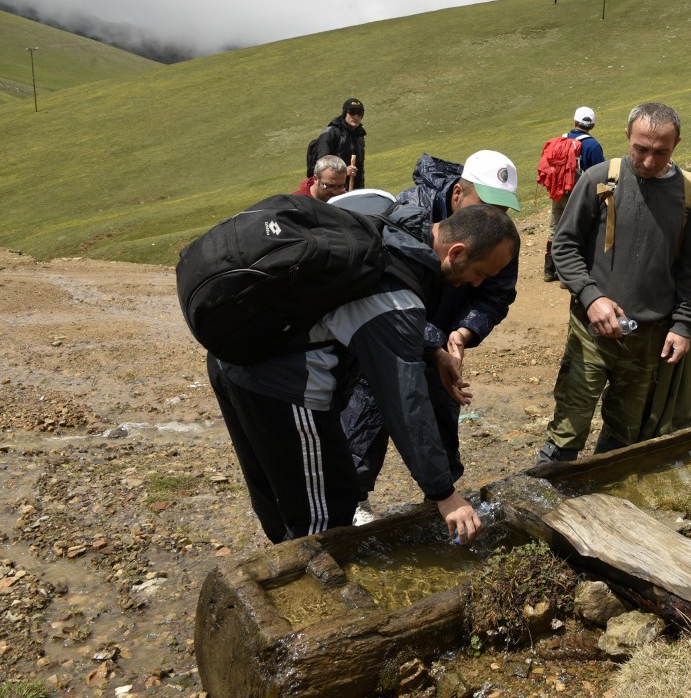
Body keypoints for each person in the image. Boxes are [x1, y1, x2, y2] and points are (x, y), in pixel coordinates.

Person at [206, 200, 519, 545]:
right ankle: (313, 585)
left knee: (281, 495)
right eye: (481, 273)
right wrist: (443, 493)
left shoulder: (388, 232)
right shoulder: (396, 291)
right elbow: (403, 399)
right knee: (324, 516)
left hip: (235, 353)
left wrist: (431, 351)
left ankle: (285, 561)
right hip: (283, 384)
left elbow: (358, 311)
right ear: (456, 252)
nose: (476, 285)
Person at [341, 150, 521, 521]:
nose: (494, 218)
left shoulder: (498, 236)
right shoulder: (407, 212)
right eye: (487, 205)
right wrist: (431, 339)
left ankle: (442, 502)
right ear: (459, 194)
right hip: (388, 338)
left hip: (442, 344)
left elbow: (496, 294)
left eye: (503, 211)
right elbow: (381, 294)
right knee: (369, 414)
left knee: (439, 418)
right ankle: (351, 503)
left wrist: (464, 331)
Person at [537, 102, 691, 464]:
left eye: (660, 152)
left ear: (676, 144)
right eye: (640, 149)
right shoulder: (598, 178)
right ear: (627, 136)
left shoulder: (689, 193)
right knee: (568, 428)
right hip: (592, 332)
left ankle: (607, 500)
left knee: (627, 435)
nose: (648, 161)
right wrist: (591, 296)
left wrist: (683, 325)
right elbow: (564, 247)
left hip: (651, 340)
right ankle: (547, 501)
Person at [541, 106, 606, 282]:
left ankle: (549, 270)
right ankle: (567, 276)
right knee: (575, 232)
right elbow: (600, 172)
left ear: (574, 121)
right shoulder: (592, 145)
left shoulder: (560, 141)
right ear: (592, 125)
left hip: (558, 191)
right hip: (577, 195)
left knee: (555, 229)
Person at [311, 97, 367, 190]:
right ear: (345, 113)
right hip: (331, 189)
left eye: (359, 113)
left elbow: (360, 168)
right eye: (352, 112)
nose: (356, 117)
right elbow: (322, 165)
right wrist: (343, 172)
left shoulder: (359, 136)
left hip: (353, 190)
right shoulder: (331, 133)